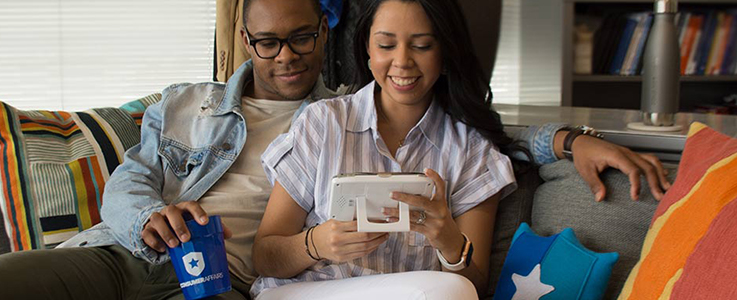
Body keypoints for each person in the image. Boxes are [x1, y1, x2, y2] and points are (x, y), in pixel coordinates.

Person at [0, 0, 669, 299]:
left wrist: (567, 138)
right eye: (267, 42)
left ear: (324, 34)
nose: (284, 55)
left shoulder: (425, 133)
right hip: (135, 257)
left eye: (300, 36)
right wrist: (145, 219)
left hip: (218, 284)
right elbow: (135, 178)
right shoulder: (208, 106)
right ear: (244, 40)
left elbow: (477, 140)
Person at [248, 0, 671, 299]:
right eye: (386, 44)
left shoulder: (470, 150)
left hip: (415, 295)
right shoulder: (324, 123)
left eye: (421, 44)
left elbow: (474, 282)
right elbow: (265, 255)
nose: (402, 62)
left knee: (452, 289)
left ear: (446, 54)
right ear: (367, 49)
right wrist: (317, 244)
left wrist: (450, 242)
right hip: (305, 291)